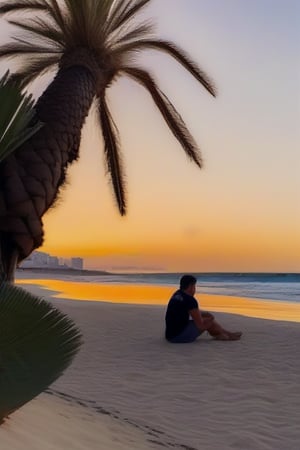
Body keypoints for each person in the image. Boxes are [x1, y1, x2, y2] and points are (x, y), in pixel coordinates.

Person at [165, 275, 242, 343]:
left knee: (206, 318)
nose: (195, 289)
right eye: (194, 286)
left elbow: (189, 311)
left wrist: (205, 314)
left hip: (169, 335)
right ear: (191, 286)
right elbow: (200, 326)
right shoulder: (190, 300)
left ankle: (226, 334)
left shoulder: (177, 294)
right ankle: (225, 335)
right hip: (179, 337)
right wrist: (210, 320)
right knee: (208, 321)